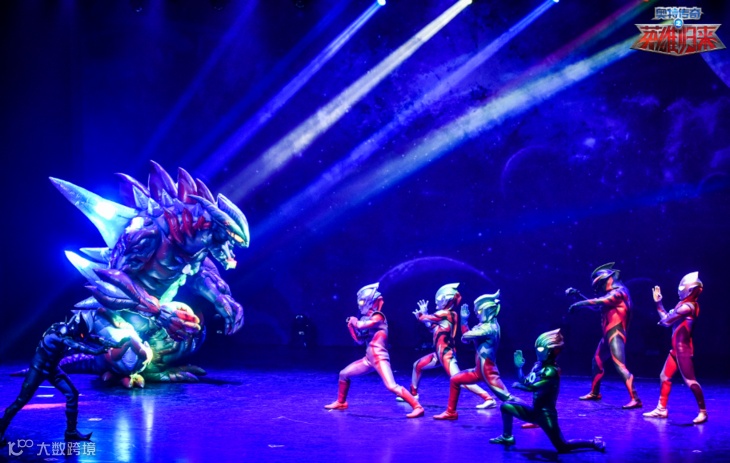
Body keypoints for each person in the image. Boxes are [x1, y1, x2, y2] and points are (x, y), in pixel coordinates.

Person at [0, 313, 123, 445]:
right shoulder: (58, 333)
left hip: (53, 369)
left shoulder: (72, 332)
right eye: (81, 333)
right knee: (21, 401)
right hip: (38, 370)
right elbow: (76, 345)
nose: (81, 336)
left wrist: (115, 344)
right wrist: (96, 352)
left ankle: (71, 431)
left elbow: (93, 338)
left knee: (72, 394)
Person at [489, 329, 605, 453]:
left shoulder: (551, 371)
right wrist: (519, 368)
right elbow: (526, 381)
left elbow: (532, 387)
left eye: (540, 349)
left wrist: (518, 386)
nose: (536, 351)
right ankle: (507, 437)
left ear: (551, 351)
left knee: (563, 447)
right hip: (534, 412)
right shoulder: (538, 366)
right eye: (536, 348)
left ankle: (593, 442)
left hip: (546, 416)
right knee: (506, 407)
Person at [324, 283, 424, 418]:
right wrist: (351, 327)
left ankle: (417, 407)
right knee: (343, 374)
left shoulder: (378, 316)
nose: (359, 306)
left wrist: (354, 322)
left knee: (391, 386)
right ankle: (341, 402)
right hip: (368, 359)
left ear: (370, 302)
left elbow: (361, 325)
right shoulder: (366, 318)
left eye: (362, 302)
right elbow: (360, 340)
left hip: (379, 358)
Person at [404, 283, 494, 410]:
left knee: (459, 380)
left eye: (438, 300)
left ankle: (488, 398)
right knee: (417, 365)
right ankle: (413, 394)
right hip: (439, 355)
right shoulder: (446, 316)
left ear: (446, 300)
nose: (436, 303)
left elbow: (424, 318)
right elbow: (433, 329)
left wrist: (421, 315)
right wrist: (424, 316)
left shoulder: (447, 314)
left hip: (446, 354)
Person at [566, 262, 641, 408]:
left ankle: (636, 399)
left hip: (616, 334)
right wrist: (578, 295)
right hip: (607, 335)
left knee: (619, 366)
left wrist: (579, 304)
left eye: (600, 284)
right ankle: (595, 393)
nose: (600, 288)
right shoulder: (613, 294)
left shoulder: (620, 292)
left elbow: (601, 301)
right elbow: (597, 307)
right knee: (597, 361)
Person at [434, 290, 514, 420]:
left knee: (508, 398)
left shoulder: (489, 328)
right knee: (455, 380)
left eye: (479, 311)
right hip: (478, 370)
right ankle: (451, 412)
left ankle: (534, 416)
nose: (477, 314)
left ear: (488, 310)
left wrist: (465, 324)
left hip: (488, 371)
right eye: (476, 312)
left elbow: (466, 336)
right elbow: (467, 340)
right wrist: (464, 321)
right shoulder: (484, 326)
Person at [643, 272, 707, 424]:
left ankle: (703, 412)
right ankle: (661, 409)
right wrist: (659, 304)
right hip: (675, 349)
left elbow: (666, 321)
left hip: (683, 351)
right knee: (664, 377)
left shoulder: (688, 307)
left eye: (682, 288)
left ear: (690, 290)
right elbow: (667, 320)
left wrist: (663, 317)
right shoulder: (682, 305)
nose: (679, 291)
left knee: (690, 381)